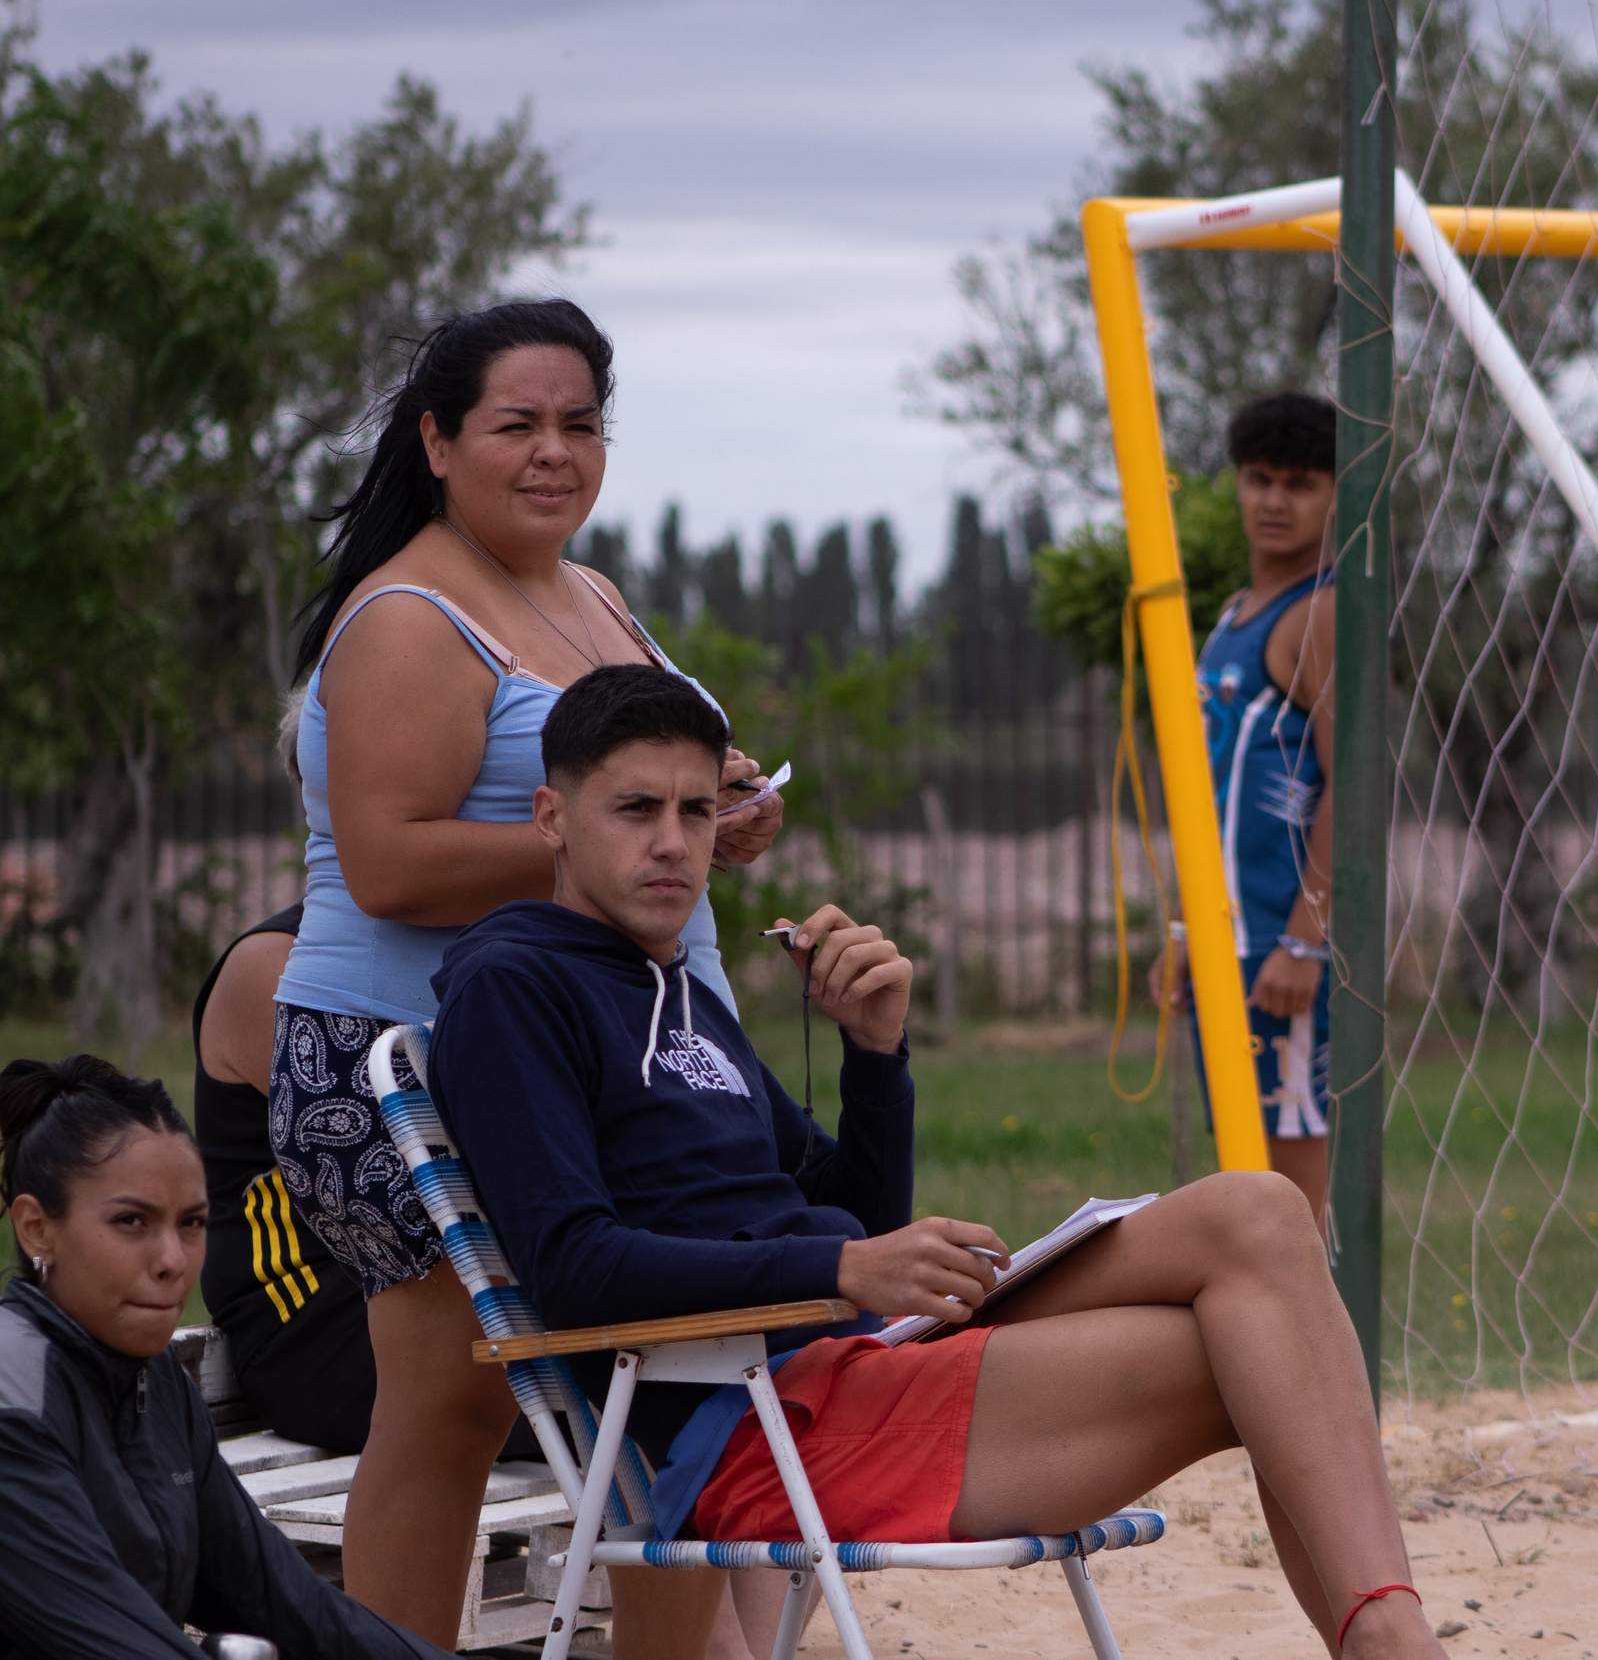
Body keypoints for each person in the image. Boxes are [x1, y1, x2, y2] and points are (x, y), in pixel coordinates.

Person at [426, 665, 1450, 1660]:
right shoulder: (514, 985)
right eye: (634, 808)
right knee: (1266, 1356)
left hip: (854, 1357)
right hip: (754, 1420)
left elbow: (852, 1215)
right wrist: (834, 1272)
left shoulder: (674, 986)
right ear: (552, 816)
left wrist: (874, 1058)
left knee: (1259, 1213)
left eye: (697, 813)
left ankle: (1388, 1641)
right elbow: (572, 1266)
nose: (672, 844)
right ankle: (1396, 1649)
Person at [269, 298, 785, 1647]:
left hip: (621, 1046)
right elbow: (385, 861)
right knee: (452, 1409)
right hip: (418, 1053)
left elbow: (628, 793)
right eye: (517, 424)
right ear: (438, 441)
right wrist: (597, 858)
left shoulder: (592, 590)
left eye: (579, 423)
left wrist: (711, 811)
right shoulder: (407, 615)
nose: (554, 451)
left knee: (668, 1374)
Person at [0, 1054, 445, 1660]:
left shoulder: (152, 1380)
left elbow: (290, 1605)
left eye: (192, 1223)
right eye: (131, 1221)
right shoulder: (14, 1396)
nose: (172, 1260)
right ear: (35, 1229)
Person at [1157, 392, 1338, 1220]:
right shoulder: (1232, 613)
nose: (1274, 499)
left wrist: (1305, 939)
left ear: (1337, 494)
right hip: (1227, 943)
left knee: (1290, 1191)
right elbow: (1214, 797)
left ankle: (1325, 1349)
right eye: (1259, 478)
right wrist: (1189, 930)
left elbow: (1354, 788)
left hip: (1282, 949)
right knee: (1242, 1179)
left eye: (1300, 483)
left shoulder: (1320, 614)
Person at [194, 900, 377, 1454]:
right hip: (317, 1321)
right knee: (609, 1402)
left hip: (454, 1298)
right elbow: (398, 1180)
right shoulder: (275, 967)